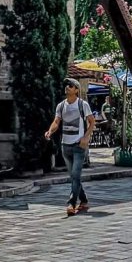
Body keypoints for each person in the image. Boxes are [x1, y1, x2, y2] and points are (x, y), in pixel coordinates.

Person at [45, 78, 96, 216]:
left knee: (75, 175)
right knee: (74, 176)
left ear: (77, 90)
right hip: (65, 146)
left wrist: (85, 138)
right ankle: (84, 200)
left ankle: (71, 203)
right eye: (67, 85)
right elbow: (56, 121)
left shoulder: (82, 104)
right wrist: (50, 131)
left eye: (71, 85)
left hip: (79, 145)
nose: (67, 87)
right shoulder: (61, 106)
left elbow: (92, 122)